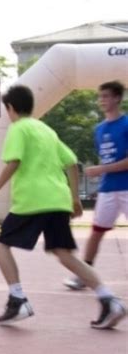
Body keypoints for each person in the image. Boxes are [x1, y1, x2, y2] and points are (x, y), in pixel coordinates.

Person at [0, 85, 125, 329]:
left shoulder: (18, 128)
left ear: (10, 108)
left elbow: (14, 161)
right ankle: (108, 298)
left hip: (33, 200)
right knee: (63, 253)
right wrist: (74, 198)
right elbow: (71, 162)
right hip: (58, 199)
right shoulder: (45, 129)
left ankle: (17, 299)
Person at [64, 81, 128, 290]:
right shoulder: (99, 129)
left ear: (118, 98)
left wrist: (101, 169)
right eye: (100, 96)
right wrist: (102, 171)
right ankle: (85, 275)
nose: (102, 100)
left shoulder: (126, 124)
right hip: (108, 189)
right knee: (96, 232)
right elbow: (107, 160)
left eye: (107, 96)